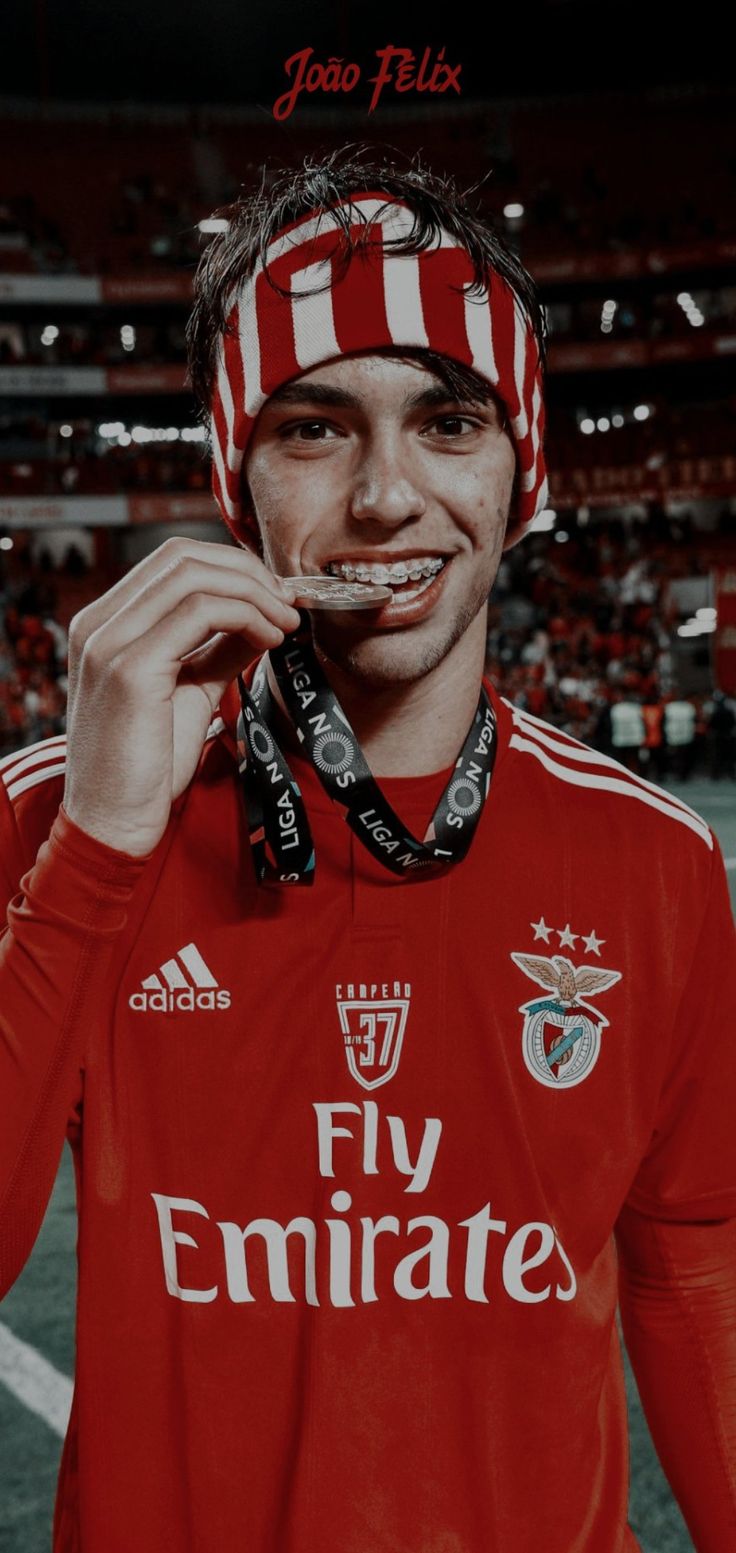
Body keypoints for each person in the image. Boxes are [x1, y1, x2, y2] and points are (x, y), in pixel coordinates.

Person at [1, 154, 735, 1553]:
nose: (390, 500)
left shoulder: (655, 858)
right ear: (240, 481)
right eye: (316, 429)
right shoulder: (56, 819)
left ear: (524, 476)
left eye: (449, 422)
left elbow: (695, 1267)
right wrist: (98, 850)